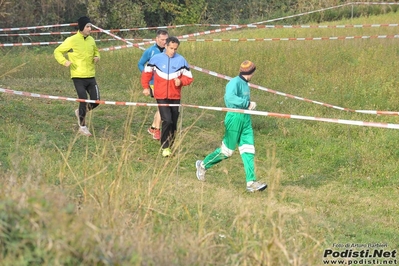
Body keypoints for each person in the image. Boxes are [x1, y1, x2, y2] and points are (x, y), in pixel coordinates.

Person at [195, 60, 267, 192]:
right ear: (251, 72)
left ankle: (251, 182)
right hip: (234, 117)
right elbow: (229, 98)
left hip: (245, 119)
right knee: (227, 152)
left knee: (248, 150)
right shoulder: (234, 82)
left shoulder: (245, 84)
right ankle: (203, 165)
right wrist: (247, 104)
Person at [141, 36, 193, 157]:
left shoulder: (181, 60)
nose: (173, 51)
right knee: (167, 120)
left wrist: (181, 82)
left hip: (175, 96)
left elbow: (189, 77)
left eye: (175, 49)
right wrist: (145, 87)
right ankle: (164, 146)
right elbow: (147, 73)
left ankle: (170, 144)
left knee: (173, 122)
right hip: (161, 95)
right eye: (171, 48)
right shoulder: (156, 59)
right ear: (165, 46)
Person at [54, 16, 100, 136]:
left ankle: (79, 112)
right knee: (83, 100)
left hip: (90, 75)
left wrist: (97, 57)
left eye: (90, 26)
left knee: (97, 101)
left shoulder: (91, 40)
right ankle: (83, 126)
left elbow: (96, 51)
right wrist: (65, 62)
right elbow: (57, 51)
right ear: (81, 28)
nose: (90, 29)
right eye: (87, 26)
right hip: (78, 76)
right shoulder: (72, 40)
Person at [137, 29, 169, 141]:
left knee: (163, 105)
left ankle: (153, 128)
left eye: (166, 39)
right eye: (162, 40)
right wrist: (147, 75)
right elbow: (140, 64)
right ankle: (156, 129)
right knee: (163, 104)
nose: (164, 42)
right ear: (156, 39)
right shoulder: (150, 51)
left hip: (166, 82)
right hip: (154, 83)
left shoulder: (169, 51)